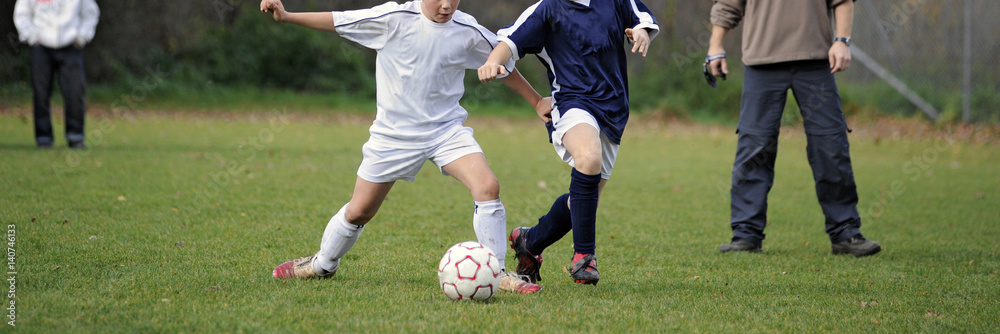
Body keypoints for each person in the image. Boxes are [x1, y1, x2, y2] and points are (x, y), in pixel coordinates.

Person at [260, 0, 552, 294]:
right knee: (359, 210)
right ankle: (322, 264)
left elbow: (502, 63)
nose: (446, 5)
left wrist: (537, 101)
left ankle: (496, 272)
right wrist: (287, 16)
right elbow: (338, 20)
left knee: (488, 187)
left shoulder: (467, 30)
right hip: (393, 137)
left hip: (446, 132)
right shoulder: (393, 19)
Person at [479, 0, 659, 286]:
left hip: (614, 110)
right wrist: (493, 61)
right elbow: (509, 42)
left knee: (583, 202)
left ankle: (529, 241)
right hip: (571, 102)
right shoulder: (548, 8)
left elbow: (642, 20)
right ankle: (584, 256)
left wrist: (642, 33)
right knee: (588, 158)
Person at [705, 0, 881, 257]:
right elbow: (727, 5)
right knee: (754, 149)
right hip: (761, 62)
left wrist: (842, 40)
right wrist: (715, 46)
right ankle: (745, 235)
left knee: (831, 146)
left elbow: (842, 1)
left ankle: (845, 232)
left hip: (816, 63)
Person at [13, 0, 100, 149]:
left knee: (75, 92)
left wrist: (82, 37)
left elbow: (90, 13)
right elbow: (22, 14)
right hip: (41, 48)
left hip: (71, 47)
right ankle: (44, 137)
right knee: (41, 93)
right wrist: (32, 37)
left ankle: (75, 136)